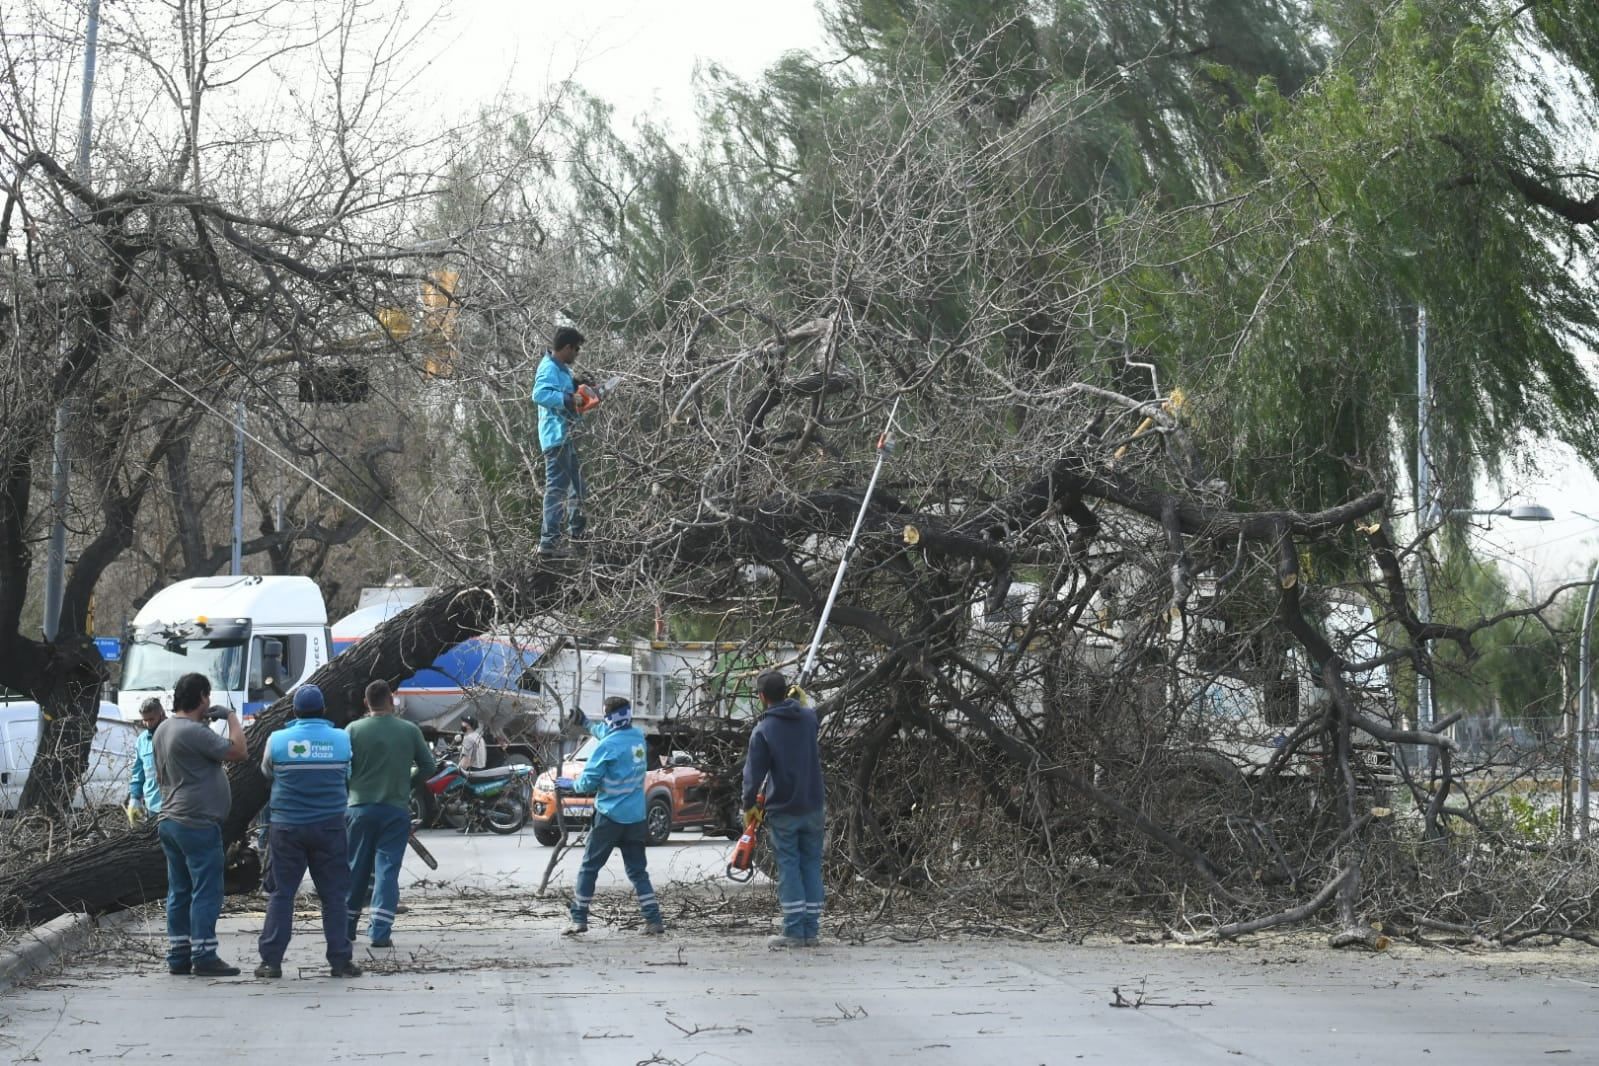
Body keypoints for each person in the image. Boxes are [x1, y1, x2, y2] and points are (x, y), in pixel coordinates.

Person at [256, 684, 360, 979]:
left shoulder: (277, 739)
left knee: (282, 894)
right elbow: (348, 775)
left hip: (287, 828)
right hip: (330, 827)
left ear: (294, 711)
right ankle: (340, 962)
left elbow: (266, 771)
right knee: (333, 896)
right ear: (323, 710)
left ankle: (271, 962)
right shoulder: (341, 739)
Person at [153, 672, 247, 976]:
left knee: (179, 890)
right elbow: (239, 751)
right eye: (208, 696)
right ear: (203, 697)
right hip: (196, 823)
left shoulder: (164, 728)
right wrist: (231, 717)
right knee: (207, 890)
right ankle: (205, 955)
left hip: (170, 820)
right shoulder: (192, 731)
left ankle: (178, 956)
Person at [562, 697, 664, 936]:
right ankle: (654, 920)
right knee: (638, 872)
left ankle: (579, 919)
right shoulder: (638, 738)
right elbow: (608, 732)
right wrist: (586, 723)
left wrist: (570, 785)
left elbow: (588, 782)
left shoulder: (606, 747)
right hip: (636, 817)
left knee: (589, 868)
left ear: (608, 718)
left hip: (609, 817)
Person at [345, 680, 435, 949]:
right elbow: (428, 766)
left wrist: (351, 787)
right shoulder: (409, 730)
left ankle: (346, 927)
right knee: (387, 870)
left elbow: (342, 767)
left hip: (359, 809)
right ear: (392, 700)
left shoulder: (352, 730)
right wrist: (408, 783)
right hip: (395, 810)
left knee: (356, 869)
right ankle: (380, 932)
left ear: (366, 702)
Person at [742, 670, 825, 949]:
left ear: (762, 697)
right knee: (811, 864)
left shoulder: (764, 730)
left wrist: (748, 805)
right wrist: (801, 704)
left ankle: (793, 930)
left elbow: (753, 774)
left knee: (789, 867)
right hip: (813, 804)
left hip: (784, 808)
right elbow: (809, 716)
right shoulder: (808, 718)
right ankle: (811, 930)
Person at [532, 325, 591, 554]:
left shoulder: (561, 370)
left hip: (566, 438)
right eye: (576, 349)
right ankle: (549, 542)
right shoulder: (548, 368)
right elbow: (540, 394)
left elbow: (566, 392)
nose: (577, 354)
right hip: (555, 438)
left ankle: (578, 534)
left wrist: (580, 388)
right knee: (556, 489)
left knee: (578, 488)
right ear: (567, 347)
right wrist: (568, 399)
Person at [126, 697, 166, 824]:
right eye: (145, 720)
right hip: (153, 807)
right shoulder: (142, 741)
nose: (148, 724)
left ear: (161, 715)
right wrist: (134, 798)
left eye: (151, 719)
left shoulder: (175, 735)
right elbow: (138, 773)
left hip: (176, 807)